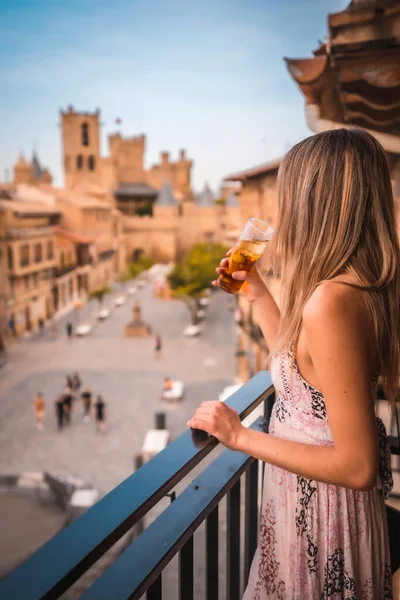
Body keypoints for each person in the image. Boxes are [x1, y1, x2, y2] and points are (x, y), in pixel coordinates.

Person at [188, 129, 397, 598]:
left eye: (291, 197)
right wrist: (257, 290)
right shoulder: (357, 287)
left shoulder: (330, 301)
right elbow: (309, 371)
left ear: (313, 203)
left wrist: (239, 436)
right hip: (319, 508)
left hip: (322, 519)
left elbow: (358, 465)